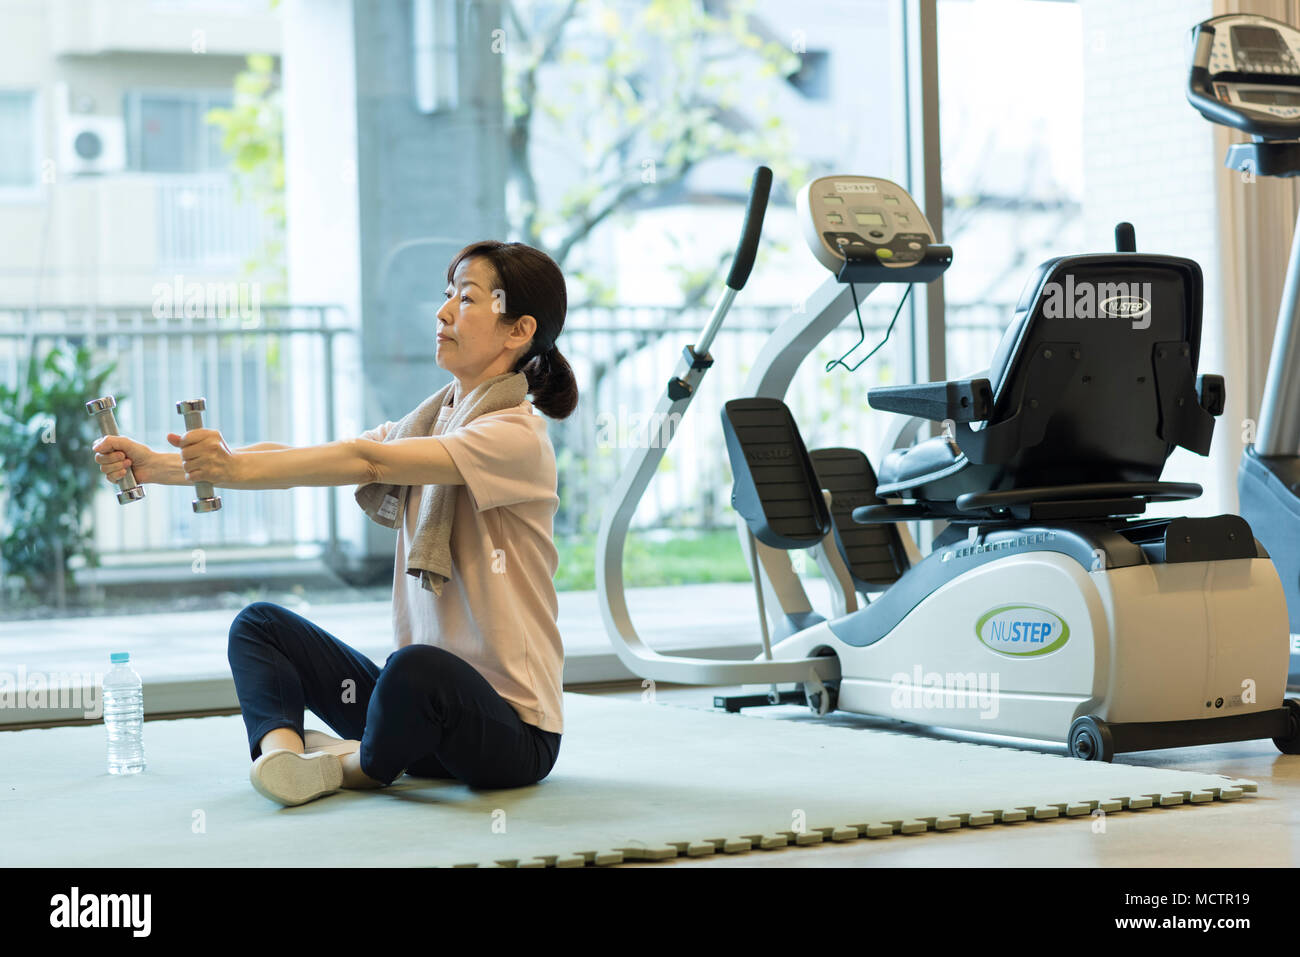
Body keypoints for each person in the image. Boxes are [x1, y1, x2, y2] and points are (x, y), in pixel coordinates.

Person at [93, 240, 578, 806]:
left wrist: (229, 465)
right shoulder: (433, 423)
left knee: (416, 670)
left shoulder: (515, 437)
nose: (443, 312)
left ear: (519, 330)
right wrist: (160, 466)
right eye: (447, 296)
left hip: (510, 736)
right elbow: (314, 454)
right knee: (260, 626)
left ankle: (349, 764)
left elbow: (363, 461)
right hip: (418, 722)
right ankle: (283, 758)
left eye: (466, 299)